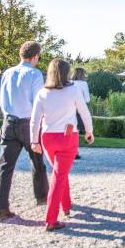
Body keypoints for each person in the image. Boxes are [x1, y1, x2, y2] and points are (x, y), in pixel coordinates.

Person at [30, 58, 95, 231]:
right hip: (67, 137)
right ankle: (51, 219)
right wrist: (89, 132)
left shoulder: (42, 92)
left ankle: (66, 205)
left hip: (48, 138)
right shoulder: (73, 90)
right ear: (67, 73)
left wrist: (34, 140)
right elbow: (85, 113)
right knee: (58, 176)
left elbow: (35, 120)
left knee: (60, 172)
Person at [0, 41, 49, 221]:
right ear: (35, 56)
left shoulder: (7, 73)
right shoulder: (35, 74)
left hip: (9, 122)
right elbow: (37, 103)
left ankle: (1, 208)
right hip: (28, 123)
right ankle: (41, 196)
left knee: (5, 167)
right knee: (37, 161)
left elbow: (2, 101)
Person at [70, 67, 90, 159]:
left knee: (69, 130)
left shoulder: (69, 83)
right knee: (76, 131)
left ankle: (70, 151)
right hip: (79, 108)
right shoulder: (83, 83)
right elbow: (87, 99)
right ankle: (75, 152)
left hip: (68, 108)